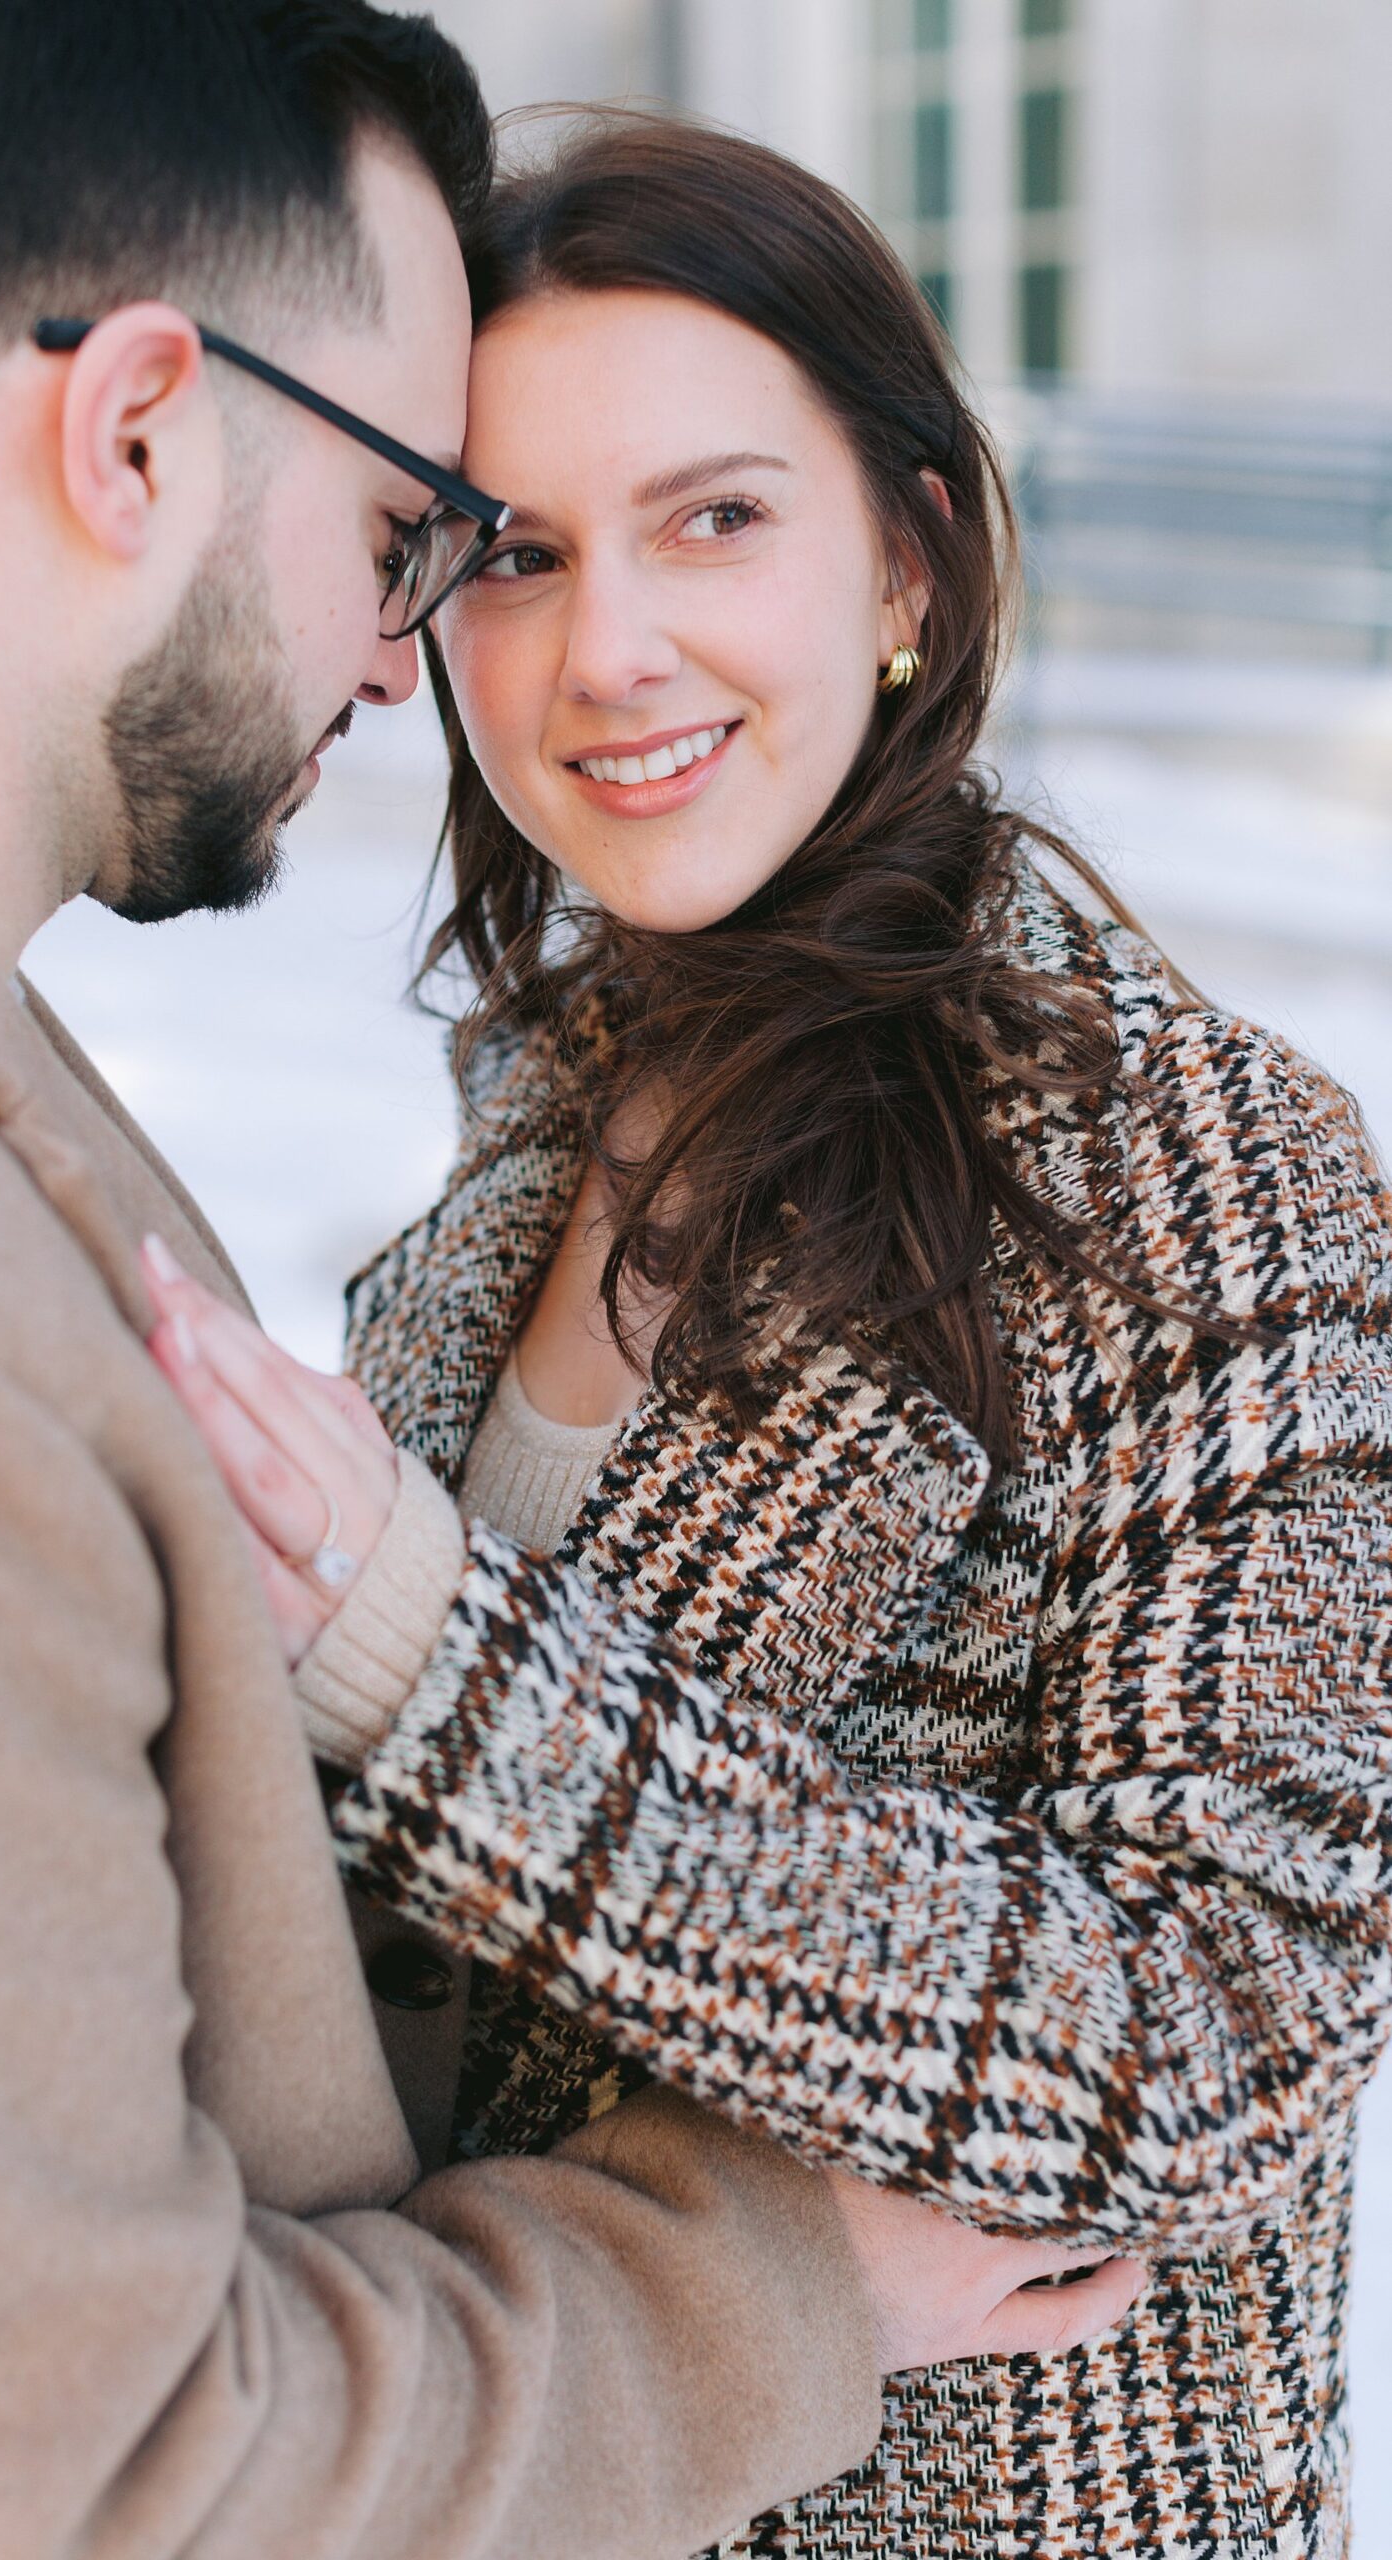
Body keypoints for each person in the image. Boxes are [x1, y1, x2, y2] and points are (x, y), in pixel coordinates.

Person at [0, 15, 1149, 2560]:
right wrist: (764, 2278)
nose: (411, 664)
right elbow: (38, 2481)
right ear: (137, 433)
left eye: (706, 520)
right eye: (417, 537)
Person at [145, 111, 1392, 2560]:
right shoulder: (533, 1117)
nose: (605, 647)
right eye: (511, 550)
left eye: (714, 516)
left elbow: (1227, 2029)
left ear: (906, 555)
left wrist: (439, 1678)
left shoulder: (1199, 1174)